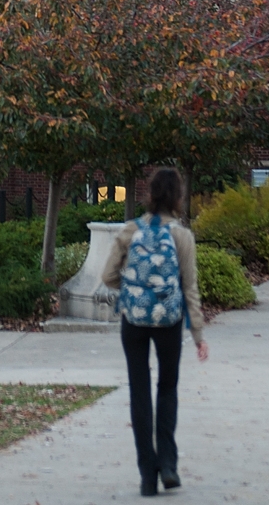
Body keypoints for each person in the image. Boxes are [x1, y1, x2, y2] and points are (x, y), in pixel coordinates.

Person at [103, 168, 209, 496]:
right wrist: (199, 336)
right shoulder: (182, 236)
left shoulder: (130, 230)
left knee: (139, 391)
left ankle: (147, 477)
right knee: (167, 387)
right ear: (177, 196)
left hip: (133, 321)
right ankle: (168, 464)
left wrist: (133, 291)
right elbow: (189, 287)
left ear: (150, 194)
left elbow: (108, 275)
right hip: (169, 321)